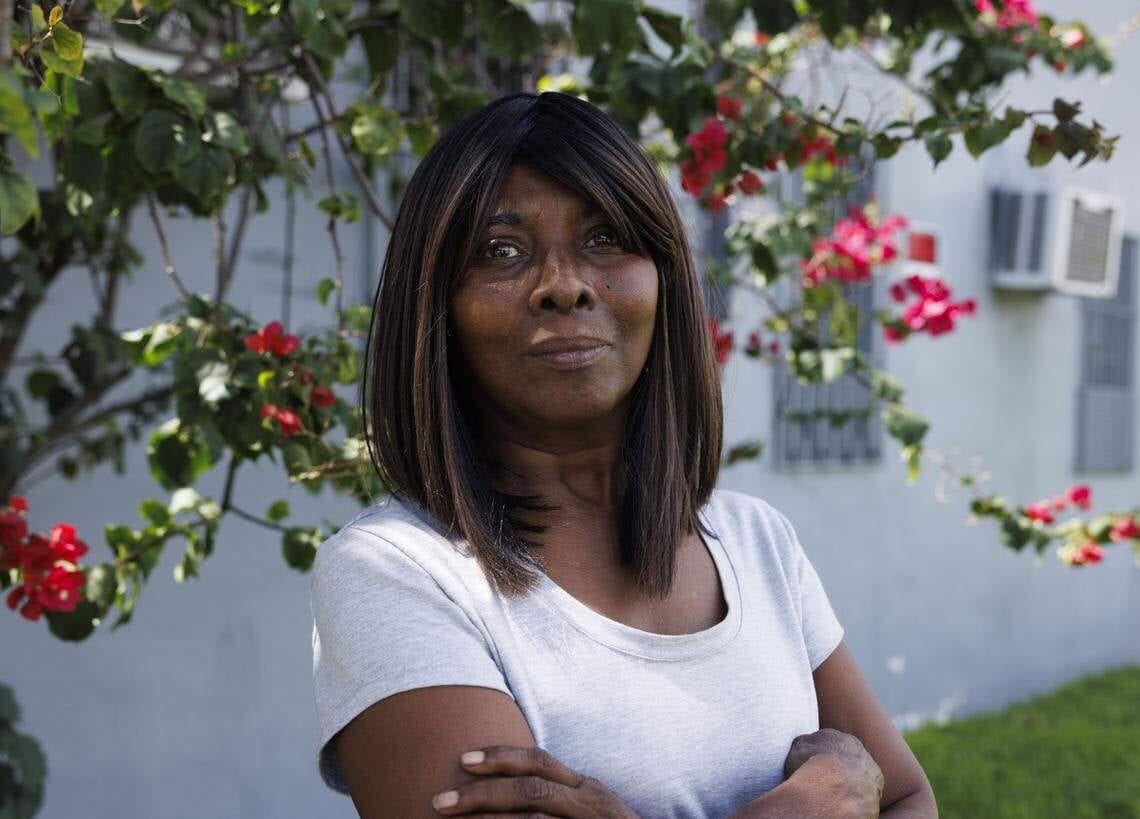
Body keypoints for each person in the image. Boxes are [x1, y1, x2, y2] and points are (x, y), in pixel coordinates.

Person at [309, 90, 937, 818]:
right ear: (436, 308)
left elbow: (910, 795)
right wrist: (822, 801)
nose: (564, 285)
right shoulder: (396, 573)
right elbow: (866, 793)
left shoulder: (756, 541)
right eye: (500, 251)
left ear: (663, 278)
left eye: (605, 238)